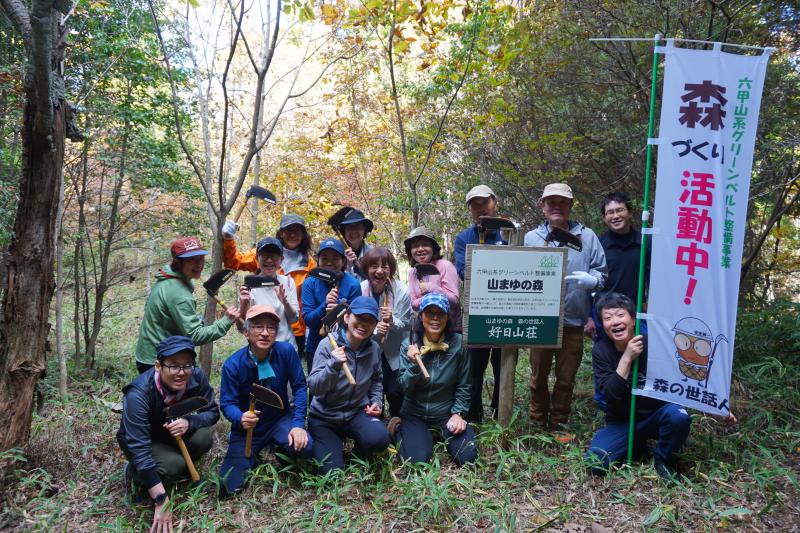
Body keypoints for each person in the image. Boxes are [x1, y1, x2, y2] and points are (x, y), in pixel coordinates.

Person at [585, 292, 729, 479]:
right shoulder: (601, 350)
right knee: (595, 463)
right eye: (608, 318)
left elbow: (686, 381)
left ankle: (664, 459)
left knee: (678, 417)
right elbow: (611, 396)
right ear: (603, 325)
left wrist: (715, 406)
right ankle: (636, 443)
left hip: (657, 414)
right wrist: (627, 357)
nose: (615, 322)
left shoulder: (655, 343)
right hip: (623, 420)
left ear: (633, 319)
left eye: (621, 315)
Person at [523, 183, 607, 429]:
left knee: (565, 378)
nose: (557, 206)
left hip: (573, 320)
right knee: (537, 377)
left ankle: (559, 422)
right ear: (542, 206)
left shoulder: (587, 236)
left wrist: (593, 281)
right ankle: (538, 422)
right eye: (551, 202)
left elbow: (602, 273)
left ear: (570, 205)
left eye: (563, 202)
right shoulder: (531, 238)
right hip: (540, 321)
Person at [118, 336, 218, 532]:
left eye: (187, 365)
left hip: (173, 432)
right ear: (158, 366)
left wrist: (190, 423)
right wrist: (161, 499)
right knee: (173, 466)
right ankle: (133, 472)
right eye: (173, 366)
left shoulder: (196, 377)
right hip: (144, 440)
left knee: (203, 437)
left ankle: (175, 463)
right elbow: (139, 447)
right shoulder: (138, 393)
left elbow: (213, 412)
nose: (181, 373)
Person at [218, 305, 312, 498]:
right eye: (258, 326)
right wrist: (240, 417)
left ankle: (279, 446)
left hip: (279, 419)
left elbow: (300, 387)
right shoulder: (233, 365)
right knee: (228, 488)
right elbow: (227, 403)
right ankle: (250, 455)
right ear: (246, 332)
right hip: (248, 428)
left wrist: (297, 424)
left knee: (306, 447)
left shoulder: (285, 352)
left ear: (276, 333)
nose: (264, 333)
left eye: (270, 328)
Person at [390, 293, 477, 466]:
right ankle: (398, 427)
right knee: (417, 461)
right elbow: (403, 387)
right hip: (415, 413)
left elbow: (465, 384)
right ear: (421, 316)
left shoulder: (458, 344)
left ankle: (438, 433)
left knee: (467, 458)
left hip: (445, 413)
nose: (435, 318)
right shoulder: (409, 345)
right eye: (430, 313)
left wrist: (458, 413)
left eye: (440, 313)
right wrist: (414, 364)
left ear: (447, 317)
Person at [307, 296, 391, 474]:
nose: (363, 324)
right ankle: (332, 446)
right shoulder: (327, 346)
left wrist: (377, 402)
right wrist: (333, 365)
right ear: (346, 318)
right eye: (359, 318)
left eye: (370, 320)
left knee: (380, 438)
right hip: (325, 417)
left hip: (356, 413)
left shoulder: (374, 348)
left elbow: (376, 379)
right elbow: (314, 387)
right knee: (331, 474)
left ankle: (357, 452)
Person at [221, 213, 317, 363]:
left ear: (303, 235)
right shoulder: (263, 252)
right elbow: (233, 262)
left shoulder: (308, 263)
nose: (292, 234)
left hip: (294, 330)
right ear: (281, 233)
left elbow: (312, 294)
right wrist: (228, 238)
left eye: (297, 231)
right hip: (261, 334)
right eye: (288, 230)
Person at [135, 237, 239, 373]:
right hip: (157, 362)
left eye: (201, 258)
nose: (199, 264)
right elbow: (195, 336)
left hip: (149, 355)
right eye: (192, 260)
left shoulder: (167, 279)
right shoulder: (179, 293)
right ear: (179, 263)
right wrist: (226, 321)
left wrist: (197, 320)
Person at [454, 184, 506, 423]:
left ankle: (500, 413)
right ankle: (474, 417)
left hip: (507, 311)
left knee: (502, 366)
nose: (480, 208)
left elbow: (518, 266)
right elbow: (466, 271)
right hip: (477, 311)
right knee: (474, 368)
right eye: (474, 204)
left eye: (484, 202)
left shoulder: (508, 232)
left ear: (494, 202)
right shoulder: (464, 238)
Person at [589, 191, 651, 342]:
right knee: (607, 357)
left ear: (629, 213)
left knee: (640, 356)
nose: (615, 216)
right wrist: (588, 317)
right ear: (604, 218)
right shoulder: (598, 245)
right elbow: (589, 282)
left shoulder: (645, 243)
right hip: (605, 314)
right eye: (610, 212)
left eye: (620, 210)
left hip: (636, 314)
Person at [359, 247, 412, 416]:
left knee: (396, 392)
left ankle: (398, 428)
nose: (380, 271)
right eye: (374, 266)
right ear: (367, 269)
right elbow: (355, 323)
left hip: (394, 351)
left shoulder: (401, 291)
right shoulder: (360, 289)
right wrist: (374, 330)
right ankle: (375, 428)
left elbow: (406, 324)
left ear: (391, 269)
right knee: (373, 394)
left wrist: (391, 321)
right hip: (368, 350)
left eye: (385, 266)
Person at [301, 237, 362, 371]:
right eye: (324, 258)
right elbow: (308, 320)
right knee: (317, 387)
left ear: (343, 261)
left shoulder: (353, 285)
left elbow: (357, 320)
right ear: (318, 260)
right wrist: (325, 305)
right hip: (316, 345)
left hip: (345, 346)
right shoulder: (310, 283)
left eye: (335, 258)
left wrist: (340, 313)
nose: (329, 262)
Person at [237, 236, 300, 350]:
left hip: (286, 347)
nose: (269, 260)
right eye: (265, 255)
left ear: (281, 259)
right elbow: (242, 328)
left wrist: (285, 302)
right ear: (257, 258)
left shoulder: (288, 282)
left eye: (274, 256)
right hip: (260, 349)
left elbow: (294, 319)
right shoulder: (249, 286)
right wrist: (243, 305)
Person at [404, 227, 461, 332]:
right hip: (426, 328)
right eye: (415, 246)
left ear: (433, 248)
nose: (420, 249)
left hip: (449, 329)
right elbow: (413, 304)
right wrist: (431, 299)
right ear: (410, 251)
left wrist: (432, 288)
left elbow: (454, 301)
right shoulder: (413, 272)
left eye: (425, 244)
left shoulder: (445, 266)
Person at [336, 208, 374, 280]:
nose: (353, 231)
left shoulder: (372, 253)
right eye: (349, 227)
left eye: (357, 226)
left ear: (364, 230)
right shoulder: (337, 254)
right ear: (344, 232)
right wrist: (348, 266)